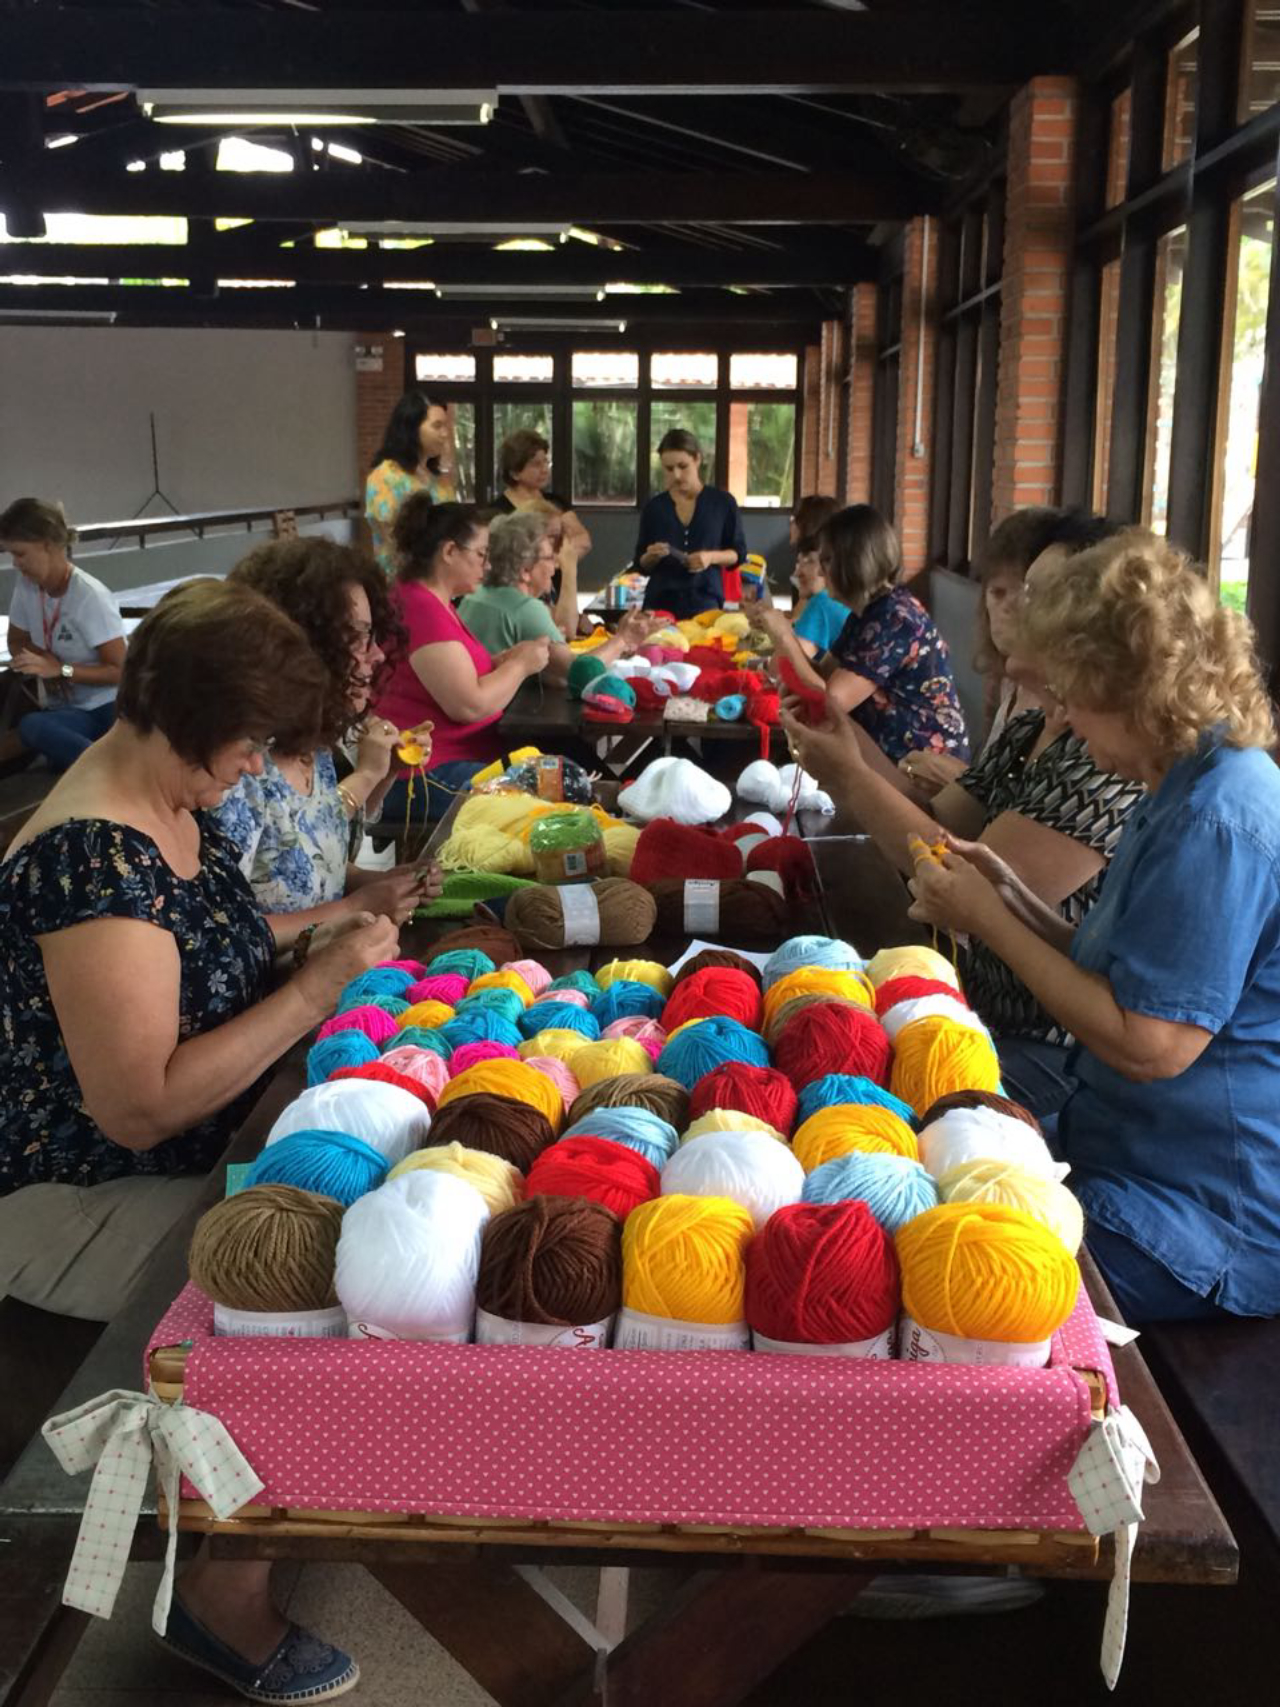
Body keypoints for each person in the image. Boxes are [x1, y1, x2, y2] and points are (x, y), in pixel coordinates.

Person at [1, 580, 401, 1701]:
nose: (254, 761)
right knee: (299, 1289)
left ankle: (288, 1507)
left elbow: (212, 938)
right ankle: (213, 1606)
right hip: (73, 1194)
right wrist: (320, 987)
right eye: (251, 741)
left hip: (164, 1155)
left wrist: (342, 912)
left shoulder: (168, 806)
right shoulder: (91, 857)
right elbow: (141, 1104)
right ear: (195, 720)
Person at [907, 528, 1280, 1324]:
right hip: (1126, 1145)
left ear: (1134, 688)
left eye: (1075, 698)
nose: (1068, 721)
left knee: (953, 1277)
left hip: (1203, 1215)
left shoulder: (1219, 816)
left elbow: (1149, 1041)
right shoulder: (1184, 778)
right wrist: (1005, 891)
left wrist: (987, 922)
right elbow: (1114, 967)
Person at [779, 510, 1144, 1118]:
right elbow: (931, 812)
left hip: (1045, 1049)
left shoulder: (1105, 756)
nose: (1012, 608)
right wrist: (845, 738)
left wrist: (847, 774)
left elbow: (958, 872)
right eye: (1009, 591)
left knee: (836, 1094)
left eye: (1038, 594)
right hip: (967, 1002)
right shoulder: (1034, 725)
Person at [213, 535, 441, 921]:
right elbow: (229, 935)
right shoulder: (237, 770)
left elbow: (319, 870)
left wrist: (382, 884)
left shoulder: (314, 745)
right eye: (358, 637)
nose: (377, 654)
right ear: (301, 646)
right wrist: (355, 906)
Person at [375, 497, 550, 823]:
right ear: (450, 551)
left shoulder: (434, 601)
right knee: (547, 801)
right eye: (481, 554)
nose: (486, 566)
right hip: (424, 774)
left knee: (557, 778)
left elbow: (453, 675)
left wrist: (500, 663)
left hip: (451, 759)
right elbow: (468, 705)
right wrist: (520, 665)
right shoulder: (421, 607)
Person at [758, 503, 969, 766]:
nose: (822, 572)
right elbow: (821, 675)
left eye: (827, 561)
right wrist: (784, 645)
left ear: (854, 562)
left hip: (924, 773)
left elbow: (831, 702)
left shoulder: (895, 617)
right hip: (889, 763)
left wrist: (785, 636)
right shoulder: (867, 613)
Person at [898, 505, 1062, 802]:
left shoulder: (1067, 707)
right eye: (997, 593)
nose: (1009, 608)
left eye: (1027, 594)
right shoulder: (1007, 682)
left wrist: (962, 782)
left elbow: (1032, 815)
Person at [1, 497, 127, 771]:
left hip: (105, 709)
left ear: (47, 545)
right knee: (32, 726)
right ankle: (99, 768)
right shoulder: (27, 587)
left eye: (20, 554)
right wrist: (44, 658)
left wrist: (62, 670)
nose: (15, 564)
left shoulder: (88, 596)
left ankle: (104, 772)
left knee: (46, 741)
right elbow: (16, 640)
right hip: (67, 711)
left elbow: (120, 670)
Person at [460, 511, 650, 685]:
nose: (555, 566)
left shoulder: (476, 594)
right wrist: (623, 639)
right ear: (525, 570)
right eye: (550, 558)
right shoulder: (525, 607)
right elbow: (580, 672)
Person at [636, 429, 746, 620]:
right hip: (659, 603)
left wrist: (710, 557)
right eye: (669, 469)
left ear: (697, 459)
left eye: (682, 466)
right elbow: (641, 564)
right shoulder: (654, 508)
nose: (676, 475)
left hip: (705, 601)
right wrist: (650, 556)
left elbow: (738, 554)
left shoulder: (723, 503)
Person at [493, 427, 592, 635]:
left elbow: (582, 539)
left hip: (554, 590)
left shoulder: (555, 503)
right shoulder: (497, 512)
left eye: (546, 462)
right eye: (536, 464)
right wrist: (555, 557)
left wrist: (551, 560)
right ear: (514, 471)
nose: (545, 469)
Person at [364, 390, 456, 576]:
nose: (445, 434)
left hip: (438, 579)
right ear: (412, 428)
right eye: (437, 426)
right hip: (401, 579)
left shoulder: (439, 481)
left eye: (445, 426)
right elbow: (394, 538)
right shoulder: (386, 476)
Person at [789, 532, 850, 658]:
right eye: (799, 563)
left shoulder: (822, 602)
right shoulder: (841, 600)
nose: (797, 573)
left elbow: (786, 667)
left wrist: (778, 631)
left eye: (809, 561)